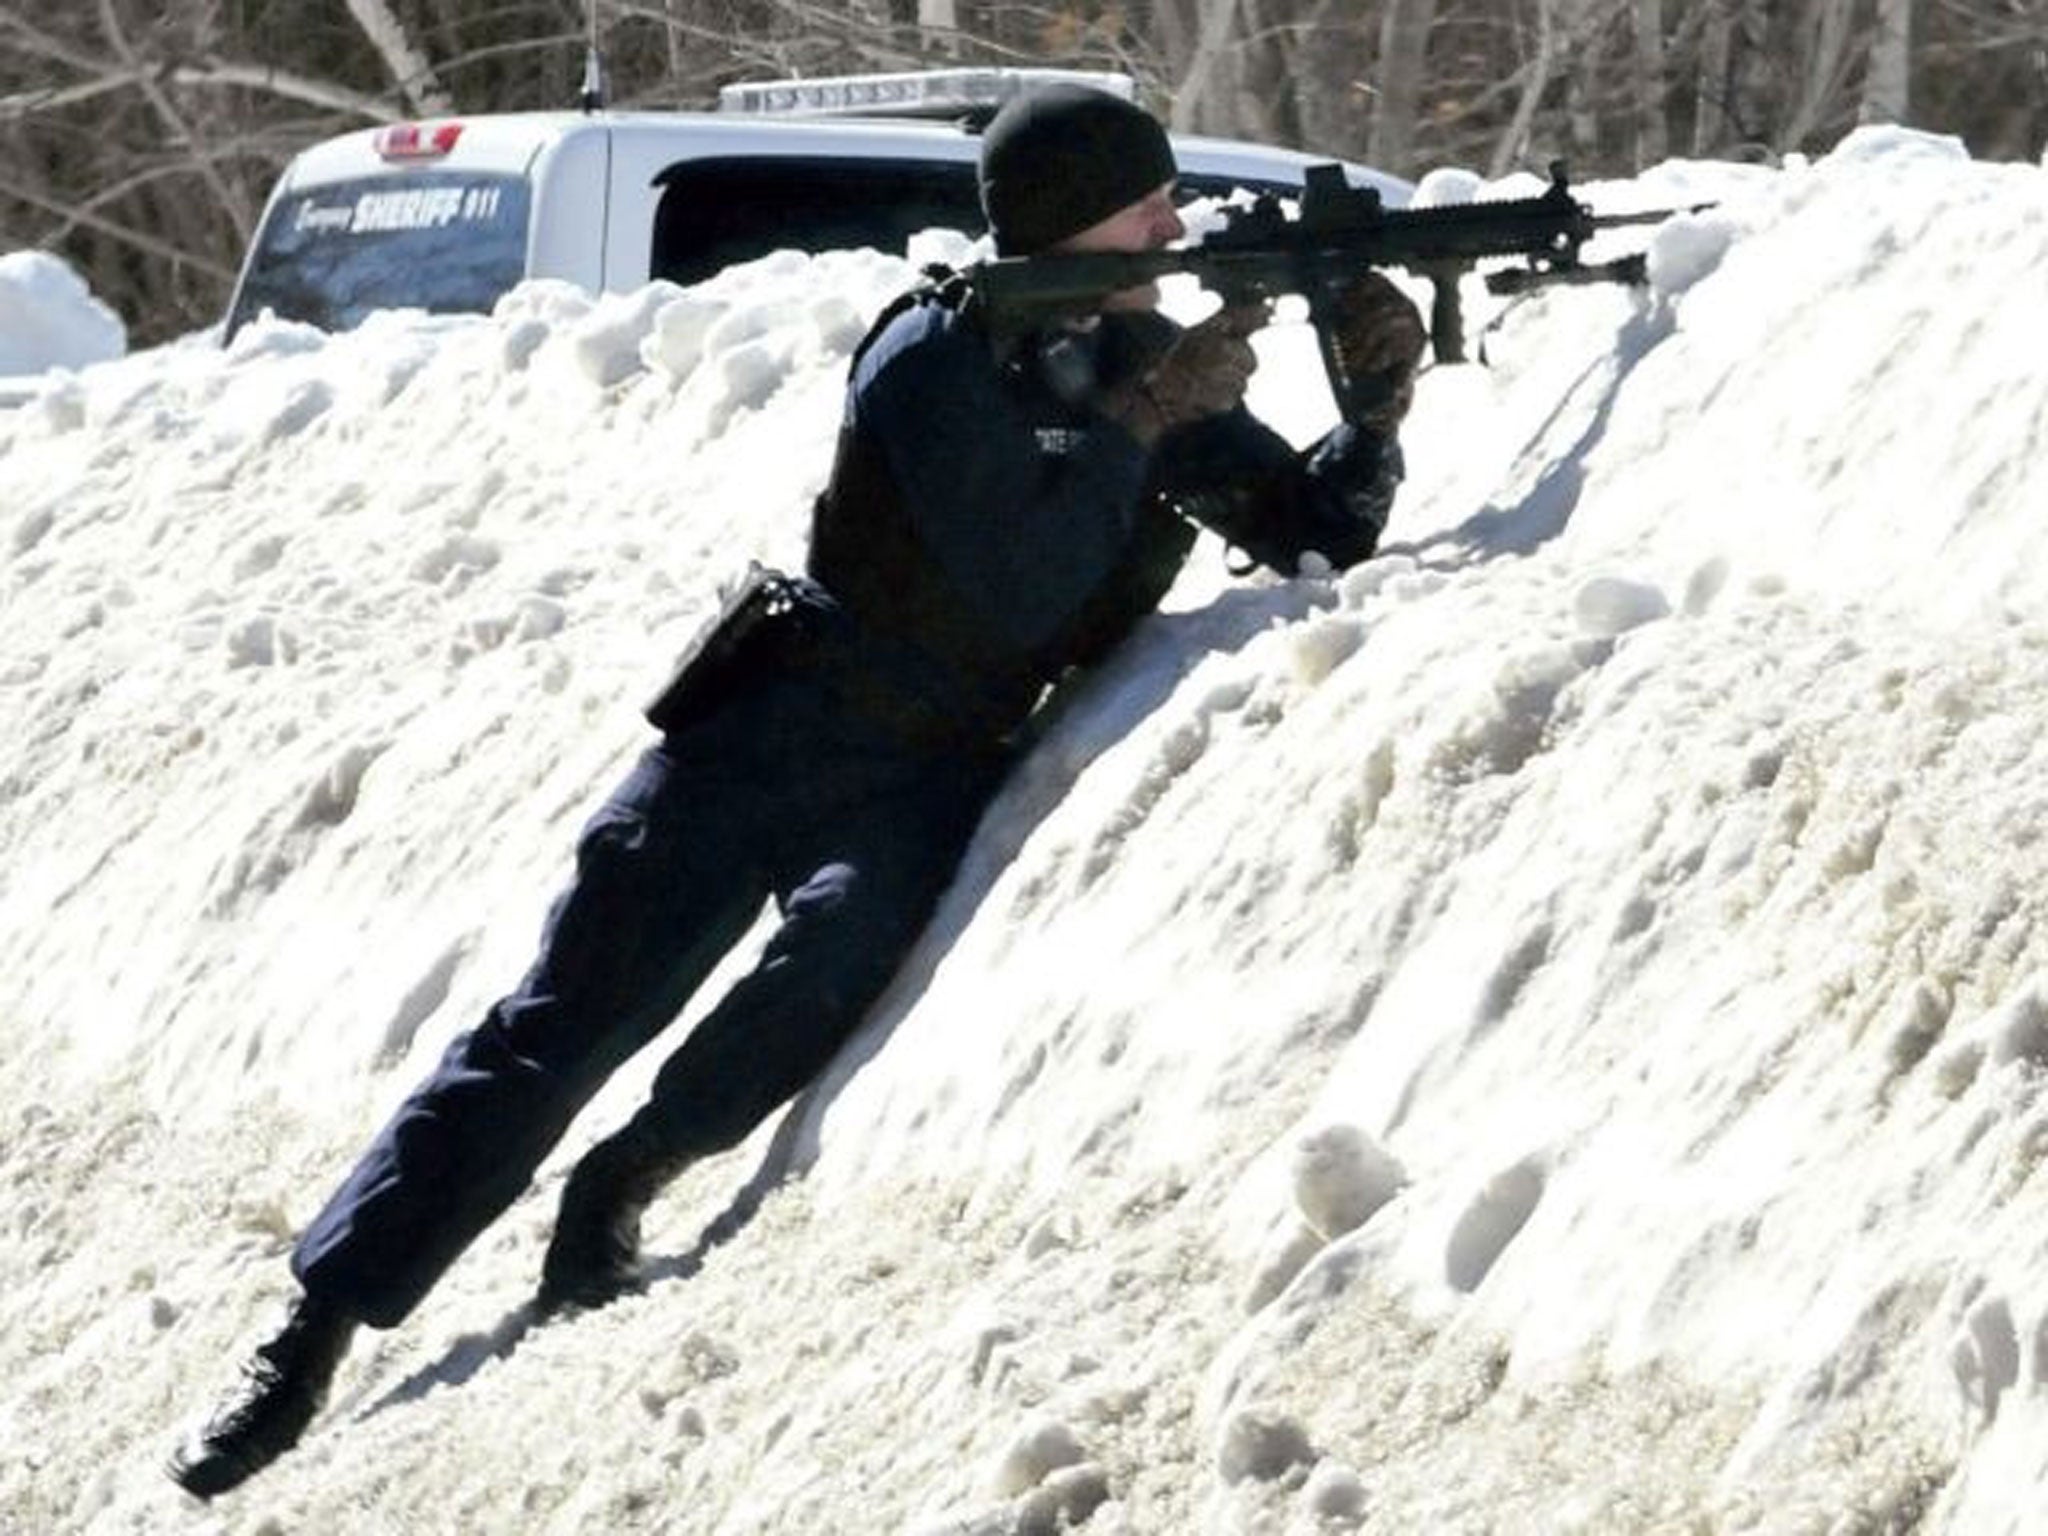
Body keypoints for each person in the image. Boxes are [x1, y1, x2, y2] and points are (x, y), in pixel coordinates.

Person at [167, 83, 1427, 1499]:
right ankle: (315, 1327)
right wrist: (1145, 419)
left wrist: (1371, 406)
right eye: (1146, 206)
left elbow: (1314, 533)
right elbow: (1019, 568)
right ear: (1070, 220)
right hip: (769, 731)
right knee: (559, 1025)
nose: (1174, 226)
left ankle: (626, 1180)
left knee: (831, 970)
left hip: (933, 763)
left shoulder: (1144, 359)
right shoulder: (931, 353)